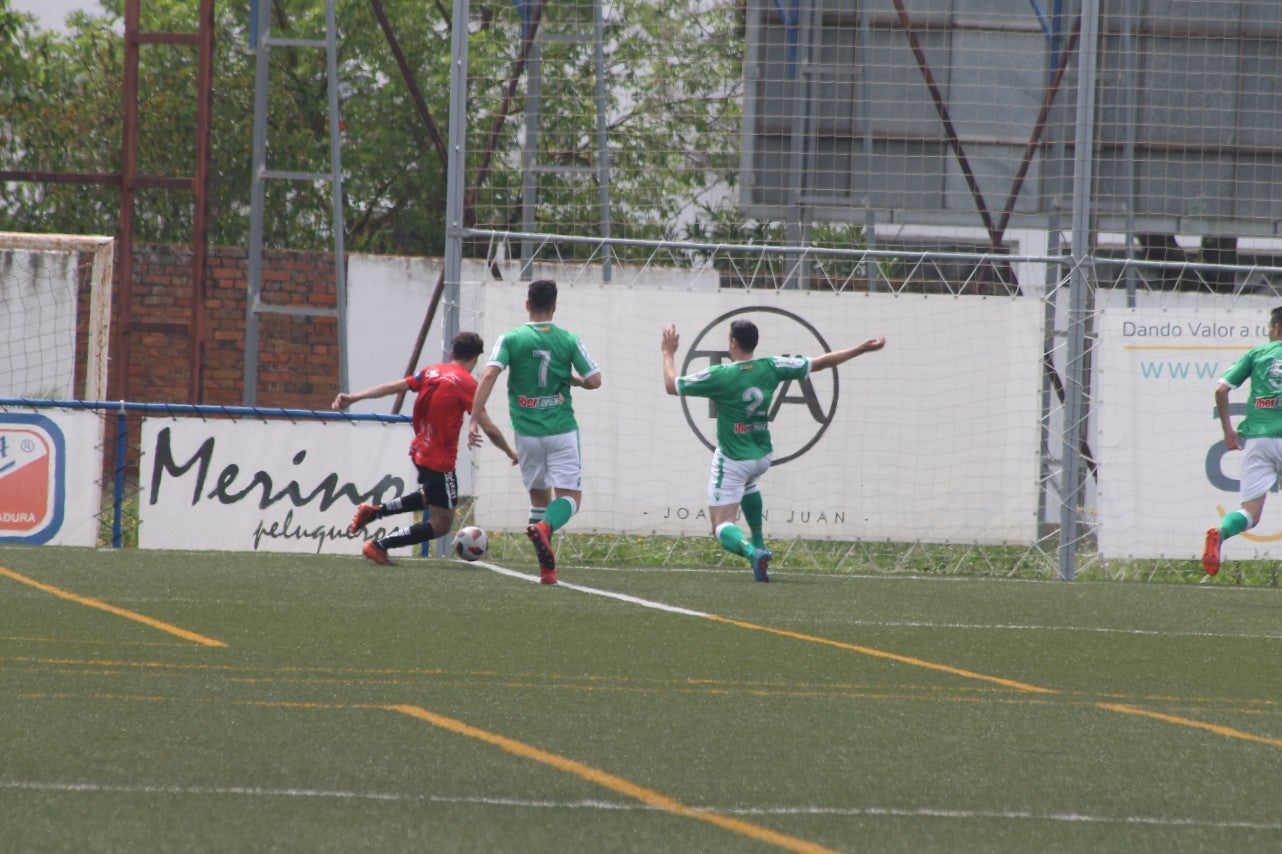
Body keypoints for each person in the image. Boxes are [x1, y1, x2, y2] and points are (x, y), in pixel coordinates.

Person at [661, 319, 885, 582]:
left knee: (721, 526)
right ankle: (759, 544)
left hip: (735, 458)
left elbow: (671, 384)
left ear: (733, 342)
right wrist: (860, 348)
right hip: (762, 455)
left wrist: (668, 353)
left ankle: (751, 552)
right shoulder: (772, 366)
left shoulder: (721, 375)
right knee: (749, 485)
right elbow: (820, 362)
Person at [333, 331, 517, 566]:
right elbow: (489, 428)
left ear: (452, 353)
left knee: (430, 497)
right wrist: (510, 452)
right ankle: (379, 545)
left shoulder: (432, 371)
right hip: (440, 461)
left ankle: (375, 512)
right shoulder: (467, 383)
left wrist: (355, 397)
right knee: (442, 524)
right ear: (475, 359)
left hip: (420, 452)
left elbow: (394, 386)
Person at [468, 279, 602, 585]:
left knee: (539, 501)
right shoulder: (568, 339)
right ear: (554, 307)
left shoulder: (511, 338)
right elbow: (595, 380)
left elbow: (489, 374)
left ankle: (547, 570)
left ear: (527, 304)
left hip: (526, 433)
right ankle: (544, 531)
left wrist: (474, 419)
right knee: (570, 499)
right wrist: (576, 381)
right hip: (561, 430)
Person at [1202, 305, 1282, 576]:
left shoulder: (1258, 354)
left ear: (1276, 328)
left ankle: (1221, 532)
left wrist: (1228, 429)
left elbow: (1221, 388)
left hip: (1258, 441)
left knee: (1250, 513)